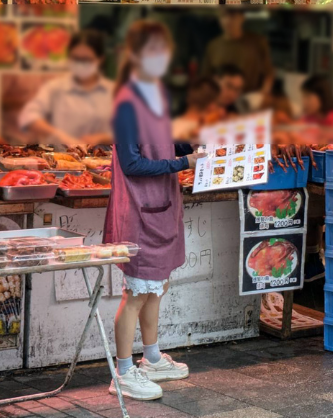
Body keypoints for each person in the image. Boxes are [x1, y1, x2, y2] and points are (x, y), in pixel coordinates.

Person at [103, 19, 205, 401]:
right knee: (137, 293)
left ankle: (151, 357)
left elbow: (170, 144)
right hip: (139, 213)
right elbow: (132, 164)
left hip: (161, 206)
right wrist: (183, 164)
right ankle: (124, 372)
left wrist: (195, 147)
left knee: (157, 288)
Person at [19, 29, 113, 152]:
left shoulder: (113, 91)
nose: (80, 63)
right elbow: (28, 115)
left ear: (100, 59)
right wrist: (59, 135)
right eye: (76, 58)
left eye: (86, 59)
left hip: (103, 161)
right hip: (61, 158)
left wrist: (102, 137)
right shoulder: (55, 88)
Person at [202, 8, 273, 106]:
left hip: (249, 100)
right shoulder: (213, 46)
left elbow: (269, 74)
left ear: (242, 18)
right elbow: (206, 77)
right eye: (223, 16)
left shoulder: (258, 42)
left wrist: (262, 95)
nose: (227, 21)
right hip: (221, 102)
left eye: (232, 16)